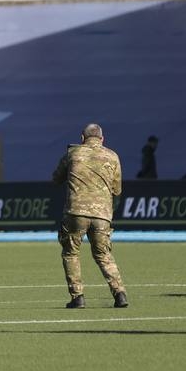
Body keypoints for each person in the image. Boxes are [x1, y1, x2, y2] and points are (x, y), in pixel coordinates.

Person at [51, 122, 128, 309]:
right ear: (102, 139)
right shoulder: (112, 156)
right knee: (103, 254)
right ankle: (120, 293)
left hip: (76, 212)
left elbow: (56, 179)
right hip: (102, 214)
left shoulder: (73, 154)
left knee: (71, 253)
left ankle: (78, 297)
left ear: (82, 138)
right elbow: (117, 189)